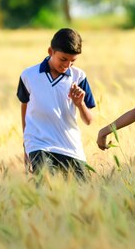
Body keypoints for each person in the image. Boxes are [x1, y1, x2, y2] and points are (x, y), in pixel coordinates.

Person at [17, 28, 96, 180]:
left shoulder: (79, 77)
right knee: (46, 189)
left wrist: (80, 104)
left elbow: (89, 120)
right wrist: (26, 144)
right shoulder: (28, 75)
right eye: (63, 59)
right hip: (38, 144)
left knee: (81, 195)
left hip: (71, 148)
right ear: (50, 51)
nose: (67, 65)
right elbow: (24, 106)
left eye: (73, 61)